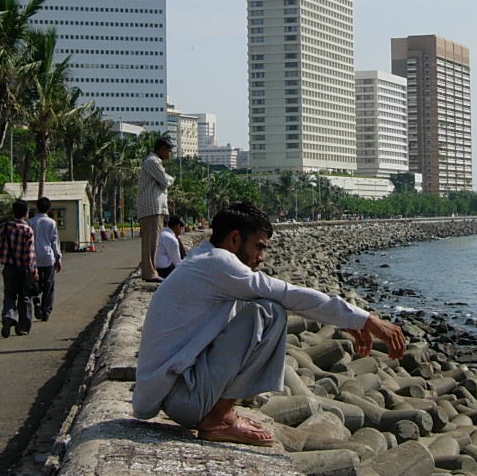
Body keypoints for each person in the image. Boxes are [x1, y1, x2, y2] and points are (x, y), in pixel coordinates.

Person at [132, 201, 406, 446]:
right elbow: (287, 294)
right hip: (183, 399)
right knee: (270, 312)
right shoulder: (219, 263)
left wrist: (348, 320)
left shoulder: (202, 258)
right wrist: (366, 319)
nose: (262, 258)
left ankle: (221, 412)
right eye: (259, 247)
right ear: (234, 239)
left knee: (258, 307)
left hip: (178, 394)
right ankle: (217, 419)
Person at [0, 199, 38, 338]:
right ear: (26, 213)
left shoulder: (4, 227)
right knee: (24, 297)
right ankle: (22, 327)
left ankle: (8, 316)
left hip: (9, 268)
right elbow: (30, 254)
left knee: (9, 295)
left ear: (13, 212)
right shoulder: (28, 230)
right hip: (23, 269)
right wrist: (33, 272)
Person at [136, 137, 175, 283]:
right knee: (150, 242)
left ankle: (151, 271)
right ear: (162, 149)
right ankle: (150, 273)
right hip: (151, 206)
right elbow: (165, 181)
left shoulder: (154, 161)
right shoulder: (152, 161)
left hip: (154, 206)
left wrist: (167, 178)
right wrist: (171, 179)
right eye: (169, 151)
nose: (169, 155)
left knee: (154, 241)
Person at [27, 196, 62, 322]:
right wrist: (58, 258)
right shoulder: (52, 223)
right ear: (49, 208)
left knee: (36, 283)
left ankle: (36, 299)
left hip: (33, 258)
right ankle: (46, 311)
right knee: (49, 284)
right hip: (47, 257)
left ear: (37, 207)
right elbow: (55, 242)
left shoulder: (30, 222)